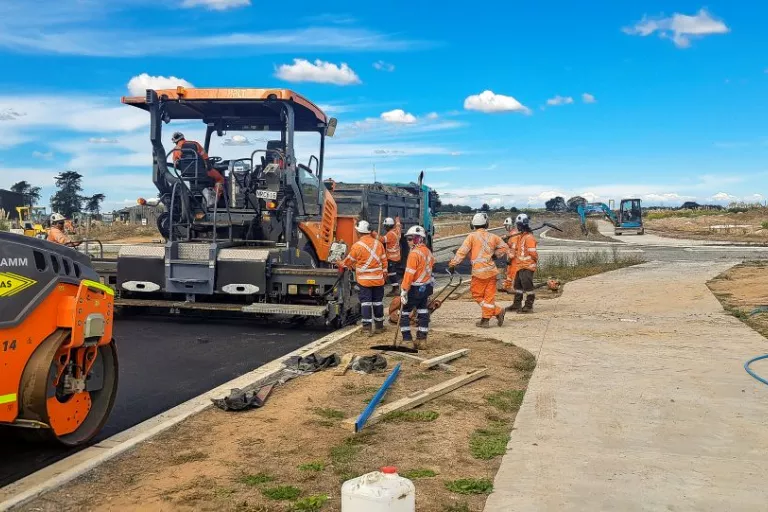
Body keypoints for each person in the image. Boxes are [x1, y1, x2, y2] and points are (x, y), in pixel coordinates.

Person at [448, 212, 509, 328]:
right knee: (489, 296)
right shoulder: (493, 237)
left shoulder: (471, 237)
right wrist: (495, 255)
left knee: (477, 295)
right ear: (486, 224)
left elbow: (462, 252)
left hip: (479, 273)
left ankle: (486, 320)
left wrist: (452, 264)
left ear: (473, 225)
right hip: (491, 272)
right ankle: (497, 311)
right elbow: (505, 247)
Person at [338, 220, 388, 334]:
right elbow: (384, 261)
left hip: (365, 282)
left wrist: (339, 262)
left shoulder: (357, 246)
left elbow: (348, 262)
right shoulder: (378, 244)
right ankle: (379, 327)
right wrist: (384, 274)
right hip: (378, 280)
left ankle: (367, 329)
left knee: (366, 303)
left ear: (359, 232)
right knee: (378, 302)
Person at [398, 225, 435, 348]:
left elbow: (409, 275)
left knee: (404, 313)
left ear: (417, 239)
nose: (408, 242)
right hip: (426, 288)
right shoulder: (428, 251)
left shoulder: (414, 254)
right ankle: (422, 340)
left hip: (414, 288)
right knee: (423, 312)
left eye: (410, 239)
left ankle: (407, 340)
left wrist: (404, 290)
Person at [171, 131, 226, 203]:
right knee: (220, 178)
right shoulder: (195, 144)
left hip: (186, 175)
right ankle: (214, 199)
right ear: (183, 137)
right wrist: (208, 166)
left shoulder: (176, 149)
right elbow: (205, 157)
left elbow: (176, 164)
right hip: (202, 173)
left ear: (175, 141)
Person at [509, 213, 539, 313]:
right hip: (521, 266)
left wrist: (533, 262)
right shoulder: (522, 236)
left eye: (518, 225)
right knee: (518, 286)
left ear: (522, 225)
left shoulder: (529, 237)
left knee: (528, 287)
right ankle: (516, 304)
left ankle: (528, 306)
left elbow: (533, 253)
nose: (517, 227)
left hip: (527, 266)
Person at [382, 216, 402, 296]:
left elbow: (382, 240)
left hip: (391, 257)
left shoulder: (390, 234)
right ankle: (395, 289)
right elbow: (398, 225)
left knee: (391, 273)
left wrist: (373, 234)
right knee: (392, 272)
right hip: (396, 256)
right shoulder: (397, 231)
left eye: (384, 226)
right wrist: (397, 219)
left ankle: (396, 289)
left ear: (387, 226)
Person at [501, 216, 519, 301]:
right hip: (512, 258)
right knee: (509, 272)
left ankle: (514, 289)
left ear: (510, 225)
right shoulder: (512, 234)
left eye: (506, 226)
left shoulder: (515, 235)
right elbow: (510, 245)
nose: (505, 227)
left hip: (514, 259)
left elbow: (514, 248)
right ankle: (507, 286)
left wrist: (510, 258)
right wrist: (506, 241)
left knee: (513, 273)